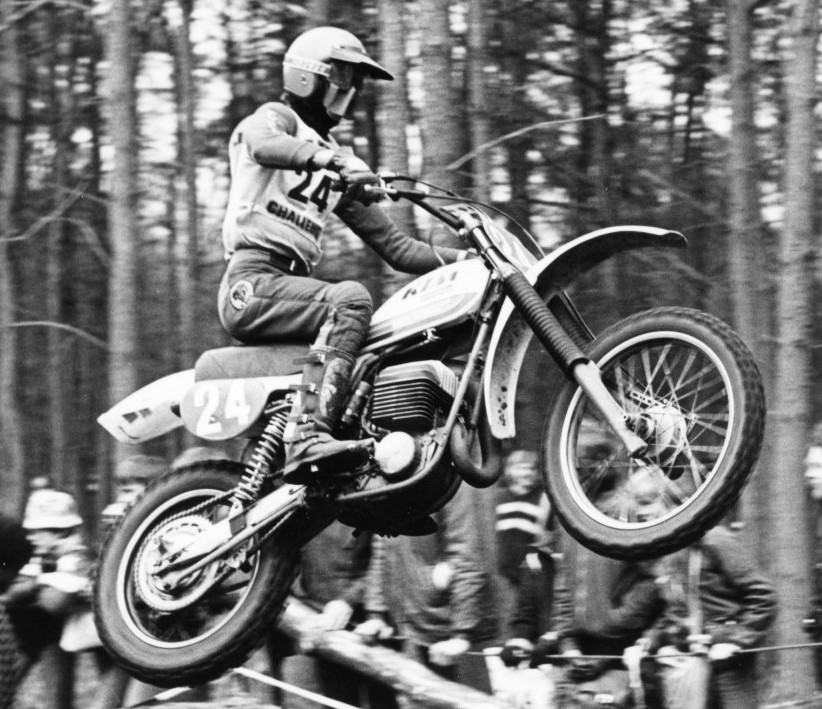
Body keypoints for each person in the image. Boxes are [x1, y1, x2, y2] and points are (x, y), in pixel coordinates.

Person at [219, 26, 470, 484]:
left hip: (285, 286)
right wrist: (330, 161)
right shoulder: (276, 119)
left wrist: (468, 261)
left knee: (383, 338)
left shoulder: (334, 158)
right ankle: (306, 435)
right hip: (252, 282)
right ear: (307, 75)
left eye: (354, 80)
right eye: (341, 75)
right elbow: (261, 144)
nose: (350, 89)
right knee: (349, 300)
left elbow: (398, 249)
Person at [626, 472, 776, 709]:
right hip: (693, 670)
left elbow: (763, 595)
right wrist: (646, 643)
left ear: (673, 503)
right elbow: (675, 613)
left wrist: (735, 641)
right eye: (637, 506)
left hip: (729, 667)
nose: (642, 513)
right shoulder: (668, 552)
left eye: (647, 503)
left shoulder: (716, 539)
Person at [357, 483, 498, 689]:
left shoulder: (454, 483)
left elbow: (467, 558)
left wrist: (462, 635)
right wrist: (376, 613)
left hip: (453, 631)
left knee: (468, 698)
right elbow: (381, 545)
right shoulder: (390, 481)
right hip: (415, 627)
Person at [4, 488, 99, 709]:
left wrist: (36, 583)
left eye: (39, 531)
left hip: (63, 631)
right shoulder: (39, 553)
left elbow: (55, 602)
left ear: (59, 531)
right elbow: (12, 591)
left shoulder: (77, 556)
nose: (32, 536)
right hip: (37, 631)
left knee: (59, 700)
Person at [550, 529, 664, 709]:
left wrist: (605, 653)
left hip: (624, 659)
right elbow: (563, 593)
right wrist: (569, 648)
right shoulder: (570, 524)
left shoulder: (626, 520)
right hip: (579, 659)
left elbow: (652, 588)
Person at [495, 449, 550, 629]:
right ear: (509, 470)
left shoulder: (543, 498)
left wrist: (535, 554)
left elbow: (545, 533)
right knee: (506, 618)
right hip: (504, 570)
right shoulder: (500, 497)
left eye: (530, 468)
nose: (525, 473)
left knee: (528, 617)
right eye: (520, 468)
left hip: (531, 569)